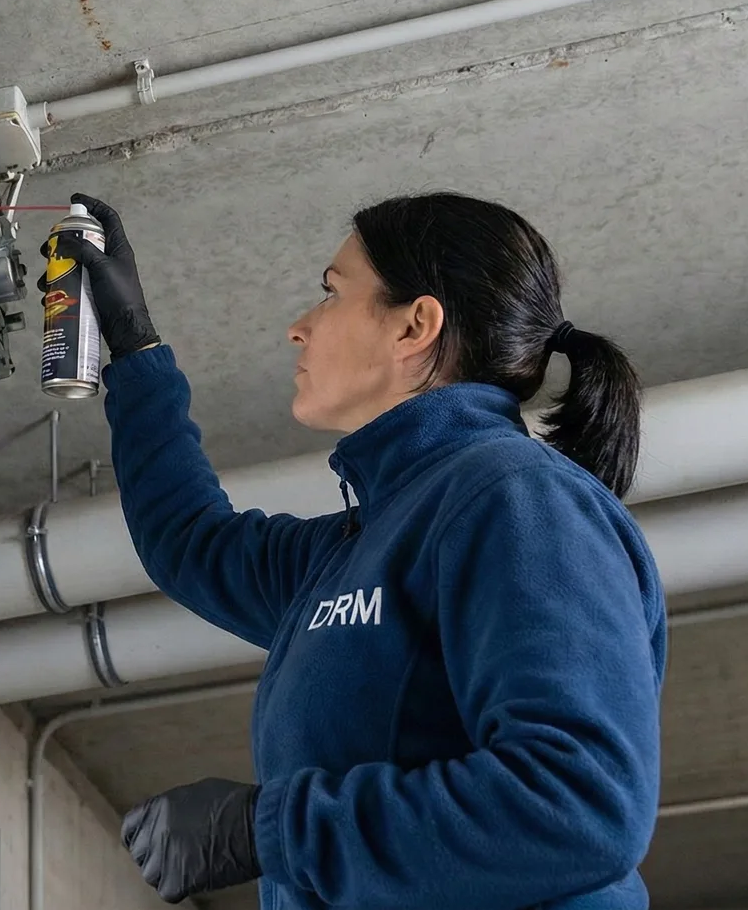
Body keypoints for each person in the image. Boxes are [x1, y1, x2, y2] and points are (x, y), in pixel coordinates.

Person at [42, 192, 667, 910]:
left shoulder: (518, 499)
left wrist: (263, 828)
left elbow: (579, 803)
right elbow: (189, 541)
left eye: (331, 295)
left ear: (414, 326)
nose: (298, 329)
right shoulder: (359, 545)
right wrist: (134, 348)